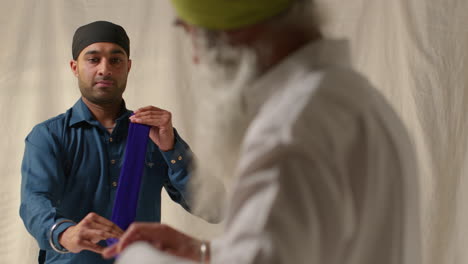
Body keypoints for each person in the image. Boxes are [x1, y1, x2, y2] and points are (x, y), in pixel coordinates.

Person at [103, 0, 422, 263]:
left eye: (193, 36)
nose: (197, 59)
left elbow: (215, 210)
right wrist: (204, 252)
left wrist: (136, 257)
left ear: (238, 33)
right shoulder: (354, 97)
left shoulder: (290, 130)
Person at [20, 20, 201, 264]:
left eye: (115, 60)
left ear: (128, 67)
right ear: (74, 67)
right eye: (93, 59)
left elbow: (212, 208)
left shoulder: (154, 134)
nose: (104, 69)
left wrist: (171, 149)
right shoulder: (49, 136)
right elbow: (35, 201)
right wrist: (64, 232)